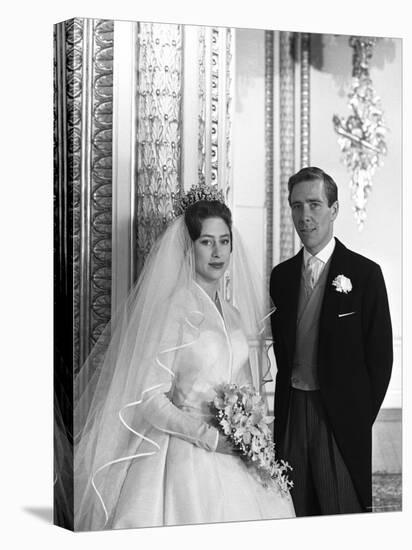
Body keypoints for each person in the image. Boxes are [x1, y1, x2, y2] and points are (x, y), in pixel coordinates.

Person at [74, 184, 295, 531]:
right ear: (188, 248)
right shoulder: (173, 310)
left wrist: (249, 432)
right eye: (206, 241)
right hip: (183, 454)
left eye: (224, 241)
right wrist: (208, 437)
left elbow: (244, 386)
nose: (217, 251)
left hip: (235, 451)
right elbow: (149, 398)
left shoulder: (234, 315)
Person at [270, 166, 393, 517]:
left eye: (314, 205)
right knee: (293, 510)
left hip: (339, 416)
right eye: (296, 206)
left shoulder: (365, 274)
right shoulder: (281, 277)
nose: (304, 216)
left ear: (334, 210)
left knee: (341, 514)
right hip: (293, 413)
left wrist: (355, 415)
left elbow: (381, 358)